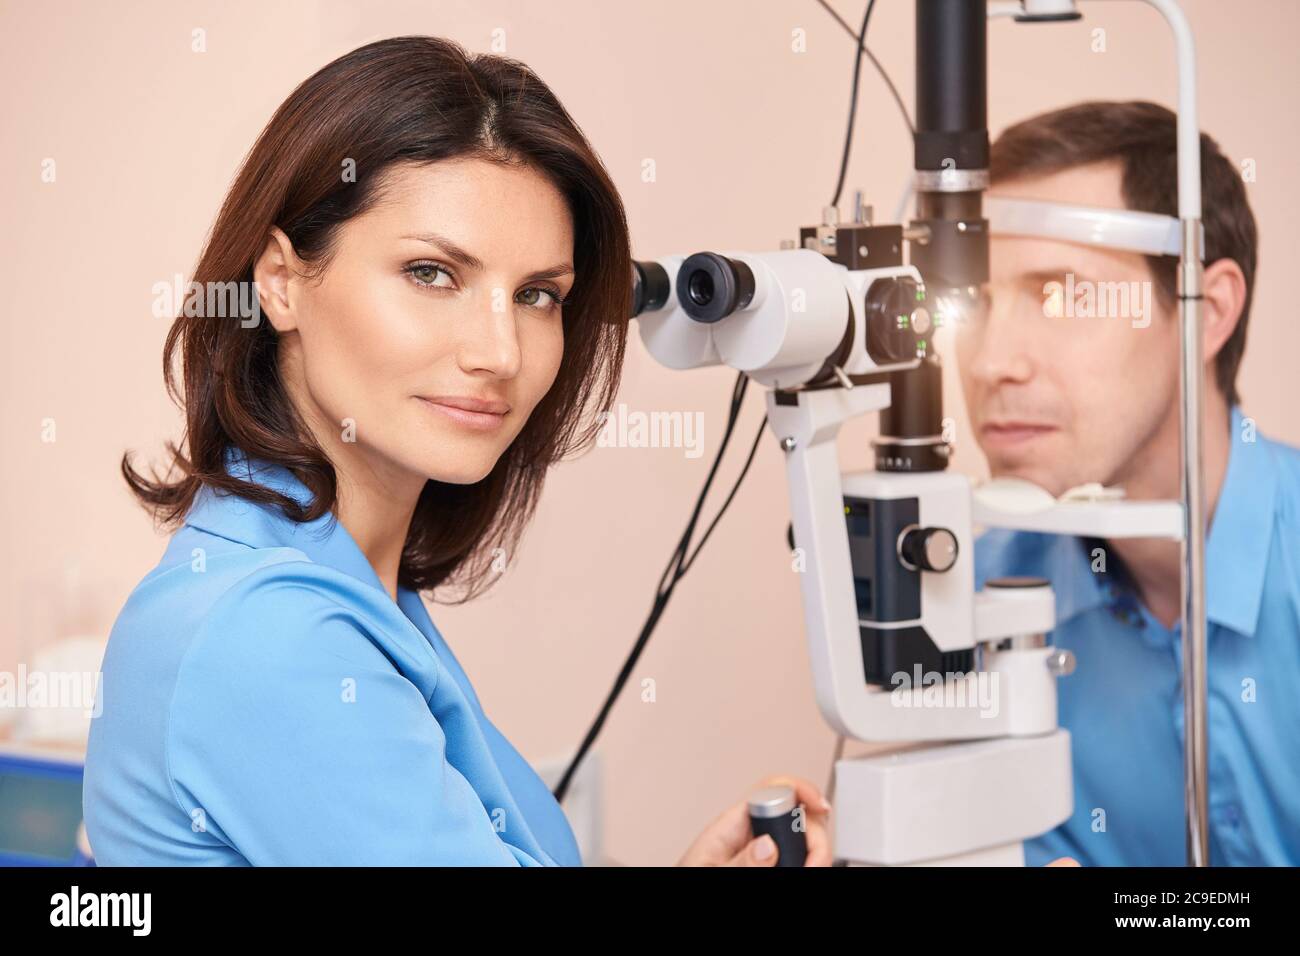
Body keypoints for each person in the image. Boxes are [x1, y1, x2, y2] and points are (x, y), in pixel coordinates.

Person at [82, 35, 832, 867]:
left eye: (537, 294)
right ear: (280, 280)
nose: (499, 352)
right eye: (433, 273)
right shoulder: (270, 635)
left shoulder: (341, 581)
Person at [957, 100, 1300, 866]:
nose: (988, 363)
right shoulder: (981, 598)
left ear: (1206, 313)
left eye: (1060, 295)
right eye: (976, 303)